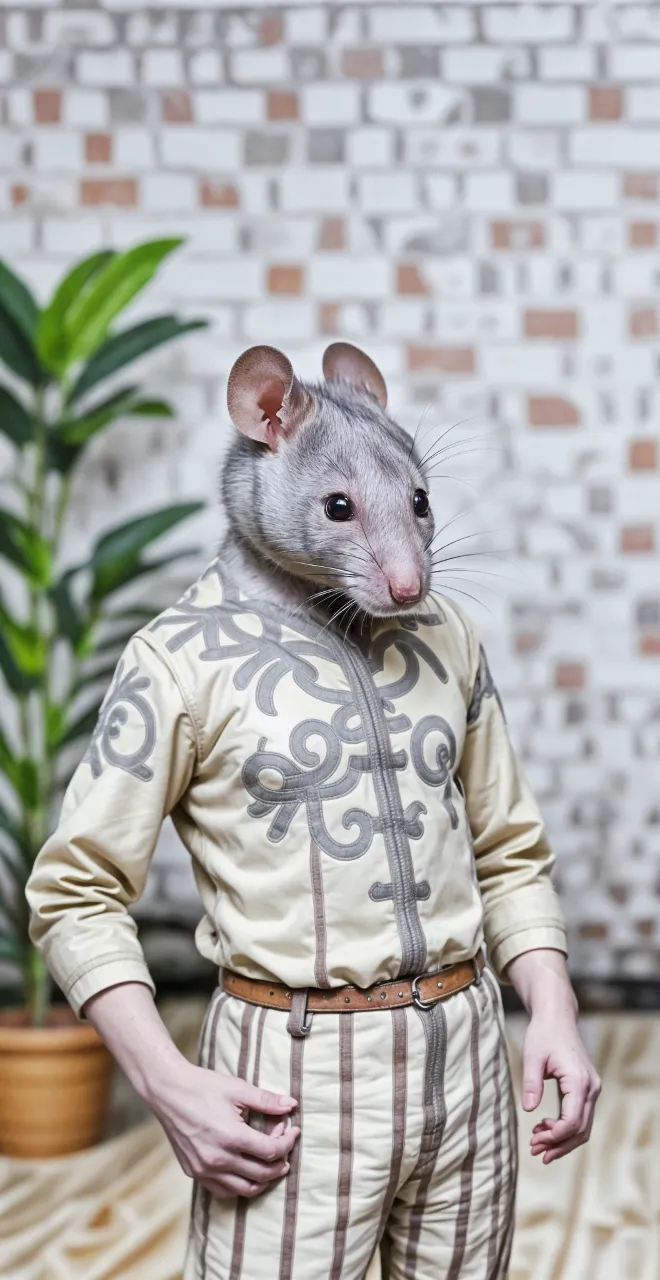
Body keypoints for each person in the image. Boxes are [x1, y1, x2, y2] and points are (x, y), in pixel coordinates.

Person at [27, 345, 600, 1280]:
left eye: (414, 506)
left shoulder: (445, 635)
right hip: (287, 1080)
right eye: (343, 511)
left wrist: (554, 1009)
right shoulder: (180, 657)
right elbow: (73, 892)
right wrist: (166, 1083)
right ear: (263, 420)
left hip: (467, 1064)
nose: (408, 574)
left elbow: (508, 849)